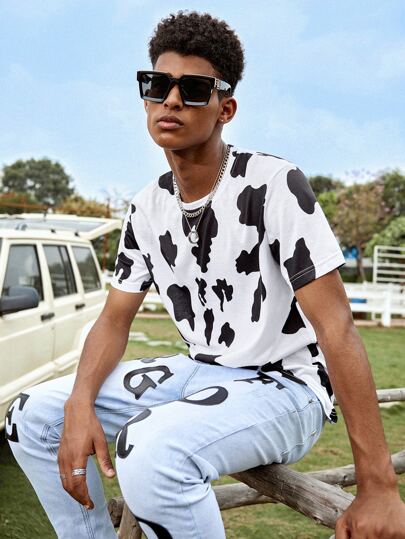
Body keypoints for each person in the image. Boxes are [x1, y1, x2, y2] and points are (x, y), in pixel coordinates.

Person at [6, 9, 405, 539]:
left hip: (287, 386)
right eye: (157, 85)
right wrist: (80, 403)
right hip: (199, 370)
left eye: (193, 89)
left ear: (225, 108)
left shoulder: (273, 184)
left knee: (148, 449)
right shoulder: (147, 206)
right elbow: (114, 319)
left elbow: (337, 328)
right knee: (31, 413)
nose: (171, 100)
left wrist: (378, 486)